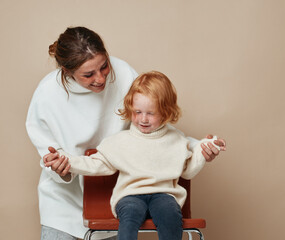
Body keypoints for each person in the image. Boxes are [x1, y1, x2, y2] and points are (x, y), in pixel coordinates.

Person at [26, 26, 226, 240]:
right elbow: (57, 159)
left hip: (114, 198)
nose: (101, 79)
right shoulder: (47, 95)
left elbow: (158, 135)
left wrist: (200, 148)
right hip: (63, 206)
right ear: (67, 71)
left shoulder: (124, 74)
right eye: (88, 74)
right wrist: (61, 166)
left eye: (104, 67)